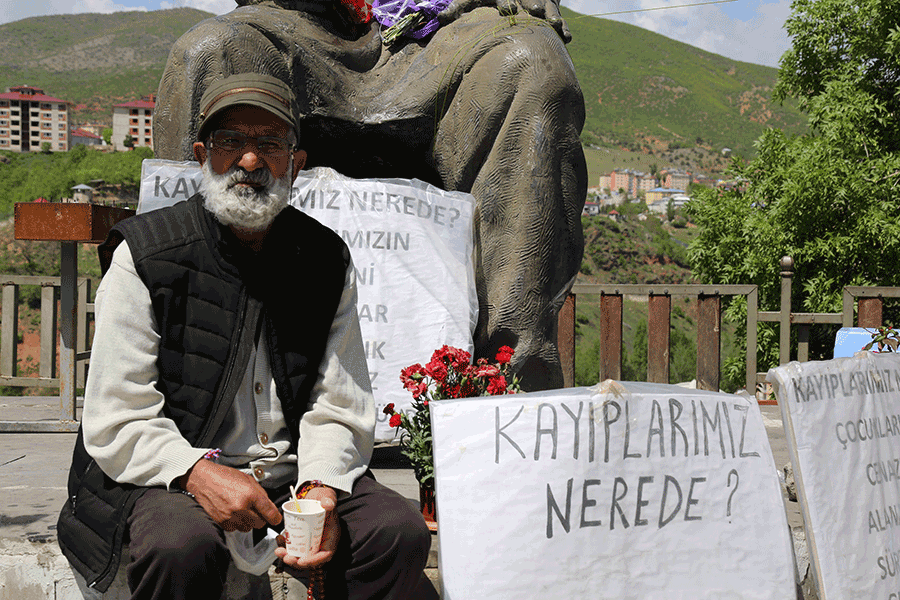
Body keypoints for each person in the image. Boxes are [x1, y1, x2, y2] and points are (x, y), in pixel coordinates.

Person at [57, 73, 433, 600]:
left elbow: (339, 401)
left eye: (270, 144)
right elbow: (118, 415)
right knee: (179, 545)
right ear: (201, 156)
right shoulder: (145, 254)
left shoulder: (324, 257)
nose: (250, 162)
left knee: (396, 531)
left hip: (290, 474)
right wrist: (195, 472)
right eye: (230, 142)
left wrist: (321, 484)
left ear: (295, 163)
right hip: (173, 472)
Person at [154, 0, 588, 391]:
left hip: (439, 32)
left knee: (534, 64)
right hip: (305, 20)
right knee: (210, 50)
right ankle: (191, 376)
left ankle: (508, 388)